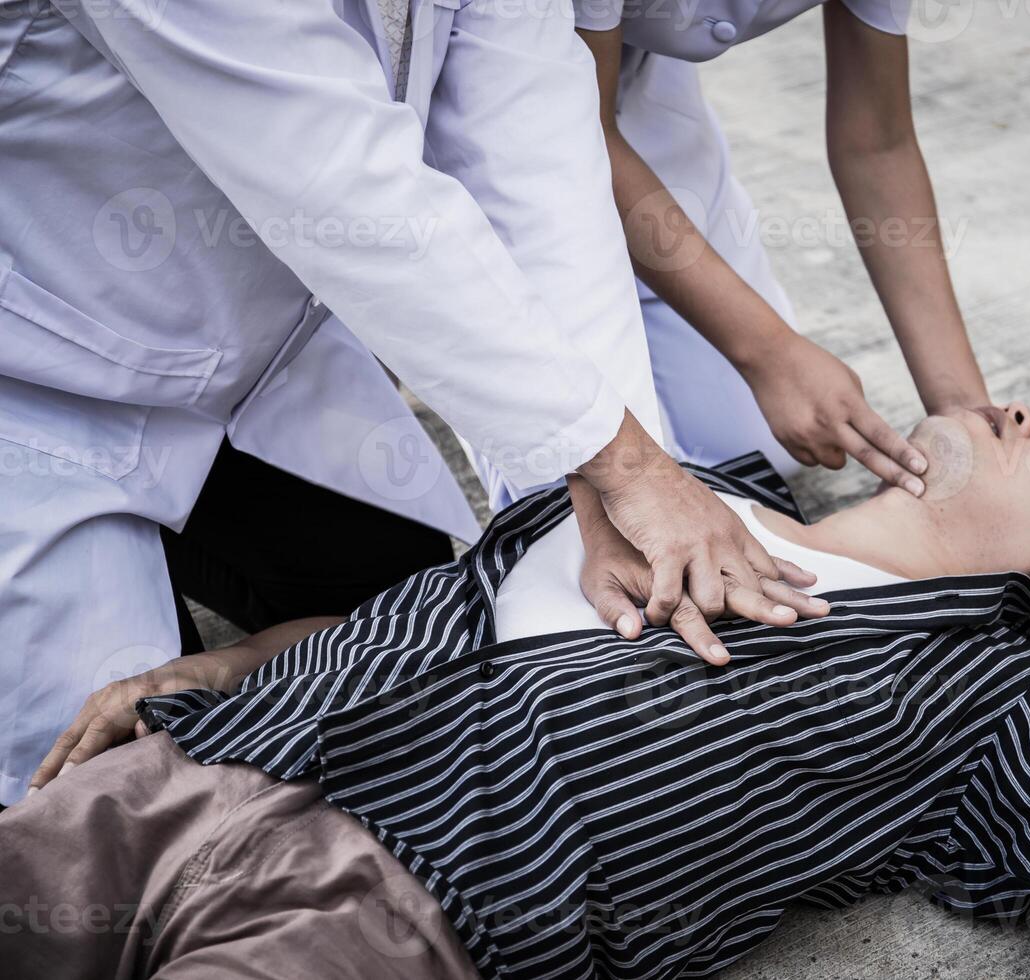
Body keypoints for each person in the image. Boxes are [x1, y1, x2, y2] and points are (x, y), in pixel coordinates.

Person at [8, 402, 1030, 980]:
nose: (1018, 414)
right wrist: (227, 661)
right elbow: (445, 606)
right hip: (201, 769)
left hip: (404, 908)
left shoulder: (991, 702)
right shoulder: (689, 478)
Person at [0, 0, 816, 804]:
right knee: (110, 795)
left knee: (395, 619)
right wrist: (627, 465)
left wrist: (605, 491)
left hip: (244, 355)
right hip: (37, 381)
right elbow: (331, 172)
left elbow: (531, 159)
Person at [552, 0, 988, 496]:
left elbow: (878, 144)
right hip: (514, 122)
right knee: (577, 508)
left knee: (755, 458)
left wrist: (964, 409)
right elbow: (577, 135)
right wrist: (768, 350)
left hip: (647, 99)